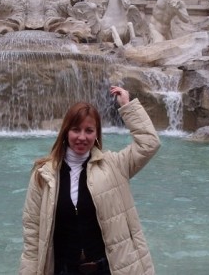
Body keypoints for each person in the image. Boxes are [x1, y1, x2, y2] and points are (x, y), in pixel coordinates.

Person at [19, 86, 160, 275]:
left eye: (89, 130)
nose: (82, 137)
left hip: (107, 269)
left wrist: (127, 106)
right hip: (62, 269)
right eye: (76, 130)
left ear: (97, 134)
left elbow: (149, 144)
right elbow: (32, 233)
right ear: (66, 132)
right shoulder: (43, 174)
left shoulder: (115, 165)